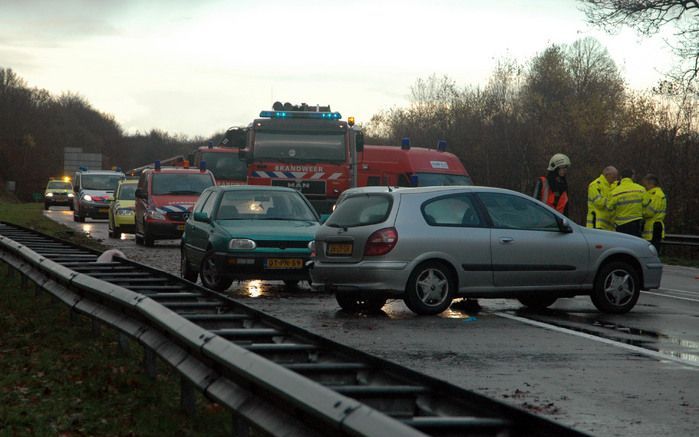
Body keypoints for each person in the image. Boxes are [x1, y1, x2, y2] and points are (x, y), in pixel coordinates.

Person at [607, 169, 645, 237]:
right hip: (636, 223)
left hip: (621, 225)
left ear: (621, 177)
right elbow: (646, 205)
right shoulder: (641, 189)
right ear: (632, 177)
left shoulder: (614, 192)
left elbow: (609, 208)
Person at [586, 166, 618, 231]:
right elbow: (599, 203)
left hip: (609, 226)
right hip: (596, 224)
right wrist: (611, 199)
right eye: (613, 177)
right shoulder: (595, 185)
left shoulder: (613, 185)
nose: (615, 179)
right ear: (607, 175)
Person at [641, 174, 667, 254]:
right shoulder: (655, 193)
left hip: (654, 226)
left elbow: (650, 212)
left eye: (646, 184)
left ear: (651, 183)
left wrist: (640, 213)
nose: (645, 187)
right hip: (653, 225)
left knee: (652, 251)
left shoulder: (656, 195)